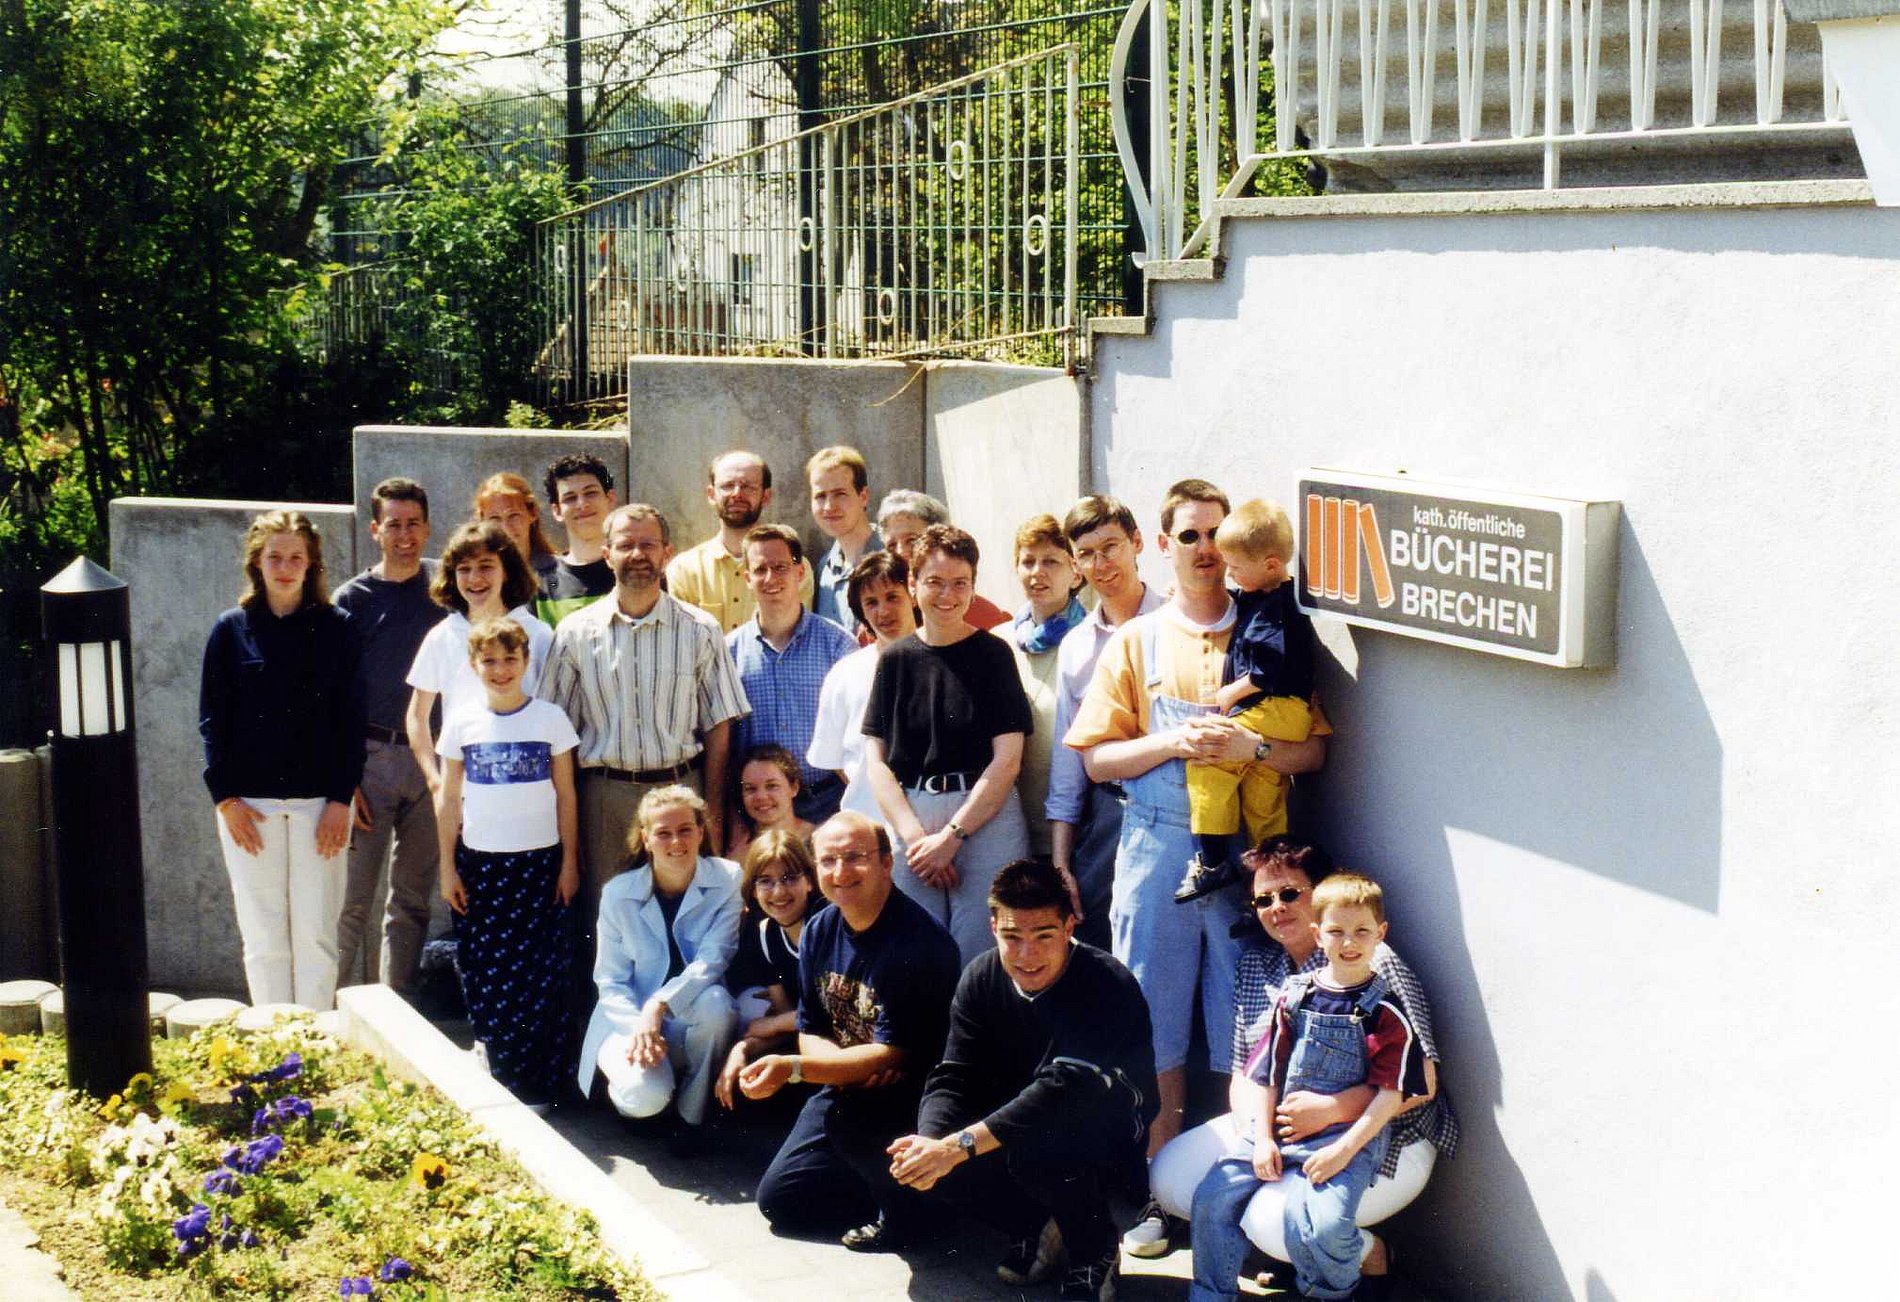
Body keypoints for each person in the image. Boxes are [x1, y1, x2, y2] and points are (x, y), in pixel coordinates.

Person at [1064, 478, 1330, 1257]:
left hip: (1246, 857)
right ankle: (1158, 1191)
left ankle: (1242, 1207)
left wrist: (1253, 746)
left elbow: (1314, 752)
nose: (1205, 548)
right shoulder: (1139, 640)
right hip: (1159, 851)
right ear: (1164, 544)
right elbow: (1097, 759)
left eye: (1216, 533)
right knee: (1154, 1025)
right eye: (1189, 535)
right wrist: (1173, 743)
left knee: (1251, 1031)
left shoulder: (1270, 626)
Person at [1149, 839, 1457, 1277]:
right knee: (1170, 1176)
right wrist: (1260, 1137)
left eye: (1290, 893)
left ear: (1322, 893)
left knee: (1273, 1223)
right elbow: (1246, 1073)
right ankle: (1290, 1251)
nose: (1277, 907)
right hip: (1286, 1129)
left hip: (1384, 1134)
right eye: (1264, 900)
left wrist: (1331, 1110)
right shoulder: (1256, 966)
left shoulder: (1370, 959)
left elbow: (1423, 1081)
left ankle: (1370, 1257)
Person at [888, 858, 1158, 1302]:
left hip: (1106, 1127)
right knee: (938, 1152)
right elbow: (954, 1074)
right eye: (1012, 937)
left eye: (1044, 936)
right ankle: (1037, 1227)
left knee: (1038, 1142)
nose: (1027, 955)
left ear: (1069, 927)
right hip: (1026, 1113)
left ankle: (1094, 1248)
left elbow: (1060, 1091)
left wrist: (955, 1148)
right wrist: (930, 1144)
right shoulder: (981, 976)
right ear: (993, 926)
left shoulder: (1106, 983)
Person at [1188, 872, 1427, 1302]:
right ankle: (1211, 1294)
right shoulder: (1295, 997)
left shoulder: (1385, 1011)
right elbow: (1266, 1074)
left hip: (1348, 1138)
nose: (1348, 943)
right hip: (1282, 1129)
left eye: (1361, 931)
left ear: (1380, 934)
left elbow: (1391, 1095)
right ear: (1318, 935)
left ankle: (1330, 1292)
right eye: (1336, 931)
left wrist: (1343, 1151)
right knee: (1212, 1197)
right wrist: (1263, 1139)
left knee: (1319, 1224)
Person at [742, 812, 961, 1251]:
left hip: (908, 1096)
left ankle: (912, 1212)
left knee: (856, 1127)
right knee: (781, 1200)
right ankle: (897, 1191)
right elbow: (809, 1027)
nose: (840, 872)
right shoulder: (821, 928)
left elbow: (894, 1055)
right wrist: (836, 1069)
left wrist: (796, 1069)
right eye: (828, 860)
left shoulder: (918, 943)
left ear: (886, 863)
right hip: (847, 1084)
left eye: (855, 857)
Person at [540, 503, 751, 921]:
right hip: (606, 799)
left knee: (686, 917)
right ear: (607, 555)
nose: (638, 554)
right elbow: (556, 735)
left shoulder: (700, 629)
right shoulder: (574, 633)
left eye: (648, 545)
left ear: (666, 553)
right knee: (609, 921)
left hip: (681, 790)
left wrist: (712, 812)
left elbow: (719, 726)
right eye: (626, 545)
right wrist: (570, 827)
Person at [199, 510, 362, 1010]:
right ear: (257, 562)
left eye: (296, 557)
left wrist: (340, 800)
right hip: (250, 808)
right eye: (275, 557)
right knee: (263, 936)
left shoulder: (338, 628)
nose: (285, 568)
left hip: (321, 807)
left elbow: (351, 721)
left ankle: (313, 1041)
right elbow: (212, 721)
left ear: (312, 564)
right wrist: (225, 799)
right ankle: (273, 1042)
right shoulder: (231, 630)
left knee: (316, 935)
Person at [861, 524, 1033, 963]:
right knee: (918, 956)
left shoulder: (995, 655)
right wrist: (916, 839)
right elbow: (876, 761)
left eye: (960, 583)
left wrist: (953, 837)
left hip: (985, 817)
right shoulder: (895, 660)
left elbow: (1008, 759)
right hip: (913, 821)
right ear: (913, 583)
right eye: (935, 582)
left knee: (984, 952)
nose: (947, 595)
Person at [432, 617, 579, 1107]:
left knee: (540, 972)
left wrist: (569, 863)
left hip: (540, 865)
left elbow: (566, 796)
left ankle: (540, 1080)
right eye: (489, 660)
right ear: (474, 666)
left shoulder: (550, 719)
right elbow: (448, 800)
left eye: (510, 658)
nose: (500, 670)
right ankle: (499, 1068)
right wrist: (448, 867)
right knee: (489, 970)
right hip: (482, 867)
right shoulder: (462, 723)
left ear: (526, 660)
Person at [577, 785, 742, 1150]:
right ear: (646, 839)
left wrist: (660, 1004)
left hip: (687, 1010)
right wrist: (640, 1027)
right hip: (629, 1018)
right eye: (663, 833)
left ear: (701, 831)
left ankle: (691, 1115)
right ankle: (641, 1100)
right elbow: (610, 979)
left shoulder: (728, 878)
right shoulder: (618, 892)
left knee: (718, 1005)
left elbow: (714, 957)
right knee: (643, 1098)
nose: (676, 842)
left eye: (685, 829)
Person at [332, 477, 445, 995]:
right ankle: (328, 1015)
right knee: (350, 900)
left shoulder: (445, 590)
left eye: (414, 524)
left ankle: (395, 1011)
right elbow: (330, 694)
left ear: (427, 528)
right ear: (375, 530)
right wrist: (343, 777)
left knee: (412, 900)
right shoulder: (351, 599)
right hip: (369, 761)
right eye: (394, 525)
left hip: (430, 761)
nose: (405, 536)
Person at [1176, 499, 1316, 903]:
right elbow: (1242, 598)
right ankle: (1273, 885)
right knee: (1263, 796)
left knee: (1211, 755)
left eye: (1235, 567)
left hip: (1278, 707)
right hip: (1288, 714)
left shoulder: (1278, 610)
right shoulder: (1267, 595)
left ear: (1270, 565)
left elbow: (1268, 668)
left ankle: (1213, 862)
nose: (1229, 573)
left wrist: (1231, 692)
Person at [1047, 495, 1164, 951]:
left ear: (1137, 543)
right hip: (1108, 812)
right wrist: (1062, 860)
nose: (1101, 564)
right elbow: (1068, 758)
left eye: (1111, 547)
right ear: (1076, 565)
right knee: (1100, 942)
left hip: (1174, 807)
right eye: (1087, 554)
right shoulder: (1077, 646)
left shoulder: (1176, 620)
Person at [404, 521, 555, 795]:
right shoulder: (442, 636)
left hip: (529, 789)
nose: (475, 579)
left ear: (506, 571)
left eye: (486, 566)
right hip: (465, 791)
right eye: (464, 569)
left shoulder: (539, 635)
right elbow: (417, 716)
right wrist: (436, 781)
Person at [726, 523, 857, 824]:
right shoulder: (729, 652)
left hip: (828, 802)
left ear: (800, 573)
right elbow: (726, 745)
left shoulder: (837, 644)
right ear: (747, 579)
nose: (770, 578)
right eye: (760, 569)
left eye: (780, 567)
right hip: (759, 810)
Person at [713, 829, 825, 1111]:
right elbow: (791, 1022)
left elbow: (829, 1015)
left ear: (810, 881)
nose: (778, 892)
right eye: (765, 881)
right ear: (752, 889)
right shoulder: (766, 934)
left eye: (789, 878)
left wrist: (773, 1024)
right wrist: (743, 1048)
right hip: (809, 1038)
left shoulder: (826, 924)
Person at [806, 551, 918, 822]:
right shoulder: (845, 674)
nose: (883, 611)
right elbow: (833, 757)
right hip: (871, 822)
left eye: (892, 597)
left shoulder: (945, 660)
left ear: (912, 595)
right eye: (871, 602)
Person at [1005, 514, 1088, 862]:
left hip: (1077, 835)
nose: (1037, 572)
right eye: (1028, 561)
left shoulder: (1093, 642)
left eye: (1051, 561)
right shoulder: (1000, 642)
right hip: (1010, 830)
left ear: (1076, 572)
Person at [666, 450, 813, 632]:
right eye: (727, 485)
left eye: (748, 487)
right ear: (711, 494)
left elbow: (797, 637)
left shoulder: (794, 567)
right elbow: (684, 639)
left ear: (766, 496)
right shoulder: (684, 569)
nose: (737, 494)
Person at [874, 489, 1009, 631]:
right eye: (891, 545)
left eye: (912, 540)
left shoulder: (985, 618)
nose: (900, 552)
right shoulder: (879, 621)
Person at [537, 453, 619, 626]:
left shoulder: (632, 570)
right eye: (570, 498)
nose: (582, 504)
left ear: (610, 499)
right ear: (557, 511)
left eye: (590, 493)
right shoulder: (539, 584)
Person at [807, 445, 882, 632]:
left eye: (840, 494)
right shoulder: (823, 569)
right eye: (820, 496)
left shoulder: (893, 555)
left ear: (863, 497)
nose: (829, 506)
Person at [473, 471, 560, 594]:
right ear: (482, 521)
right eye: (495, 518)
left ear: (532, 513)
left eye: (513, 515)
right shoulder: (475, 581)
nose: (506, 527)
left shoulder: (559, 573)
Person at [727, 745, 816, 862]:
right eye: (750, 789)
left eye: (772, 786)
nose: (761, 796)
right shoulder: (738, 858)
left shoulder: (817, 839)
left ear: (794, 788)